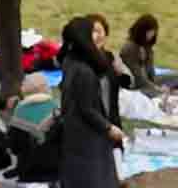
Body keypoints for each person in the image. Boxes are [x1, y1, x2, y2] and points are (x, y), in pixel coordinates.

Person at [58, 16, 125, 188]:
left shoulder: (69, 61)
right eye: (92, 33)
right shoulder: (84, 72)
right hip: (87, 137)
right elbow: (87, 108)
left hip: (72, 132)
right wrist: (109, 128)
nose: (96, 37)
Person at [88, 13, 133, 151]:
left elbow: (129, 83)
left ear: (105, 35)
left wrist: (121, 73)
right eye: (92, 32)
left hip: (112, 122)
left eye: (99, 31)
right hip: (89, 128)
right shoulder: (78, 61)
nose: (96, 36)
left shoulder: (111, 58)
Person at [7, 72, 60, 181]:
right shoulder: (56, 108)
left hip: (28, 171)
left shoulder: (20, 110)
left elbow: (14, 147)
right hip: (54, 170)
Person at [120, 13, 160, 96]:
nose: (151, 36)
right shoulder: (129, 48)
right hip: (135, 87)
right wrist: (156, 88)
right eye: (149, 33)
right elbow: (138, 78)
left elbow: (151, 71)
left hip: (146, 83)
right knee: (156, 92)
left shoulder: (147, 46)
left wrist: (156, 84)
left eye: (153, 33)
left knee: (175, 77)